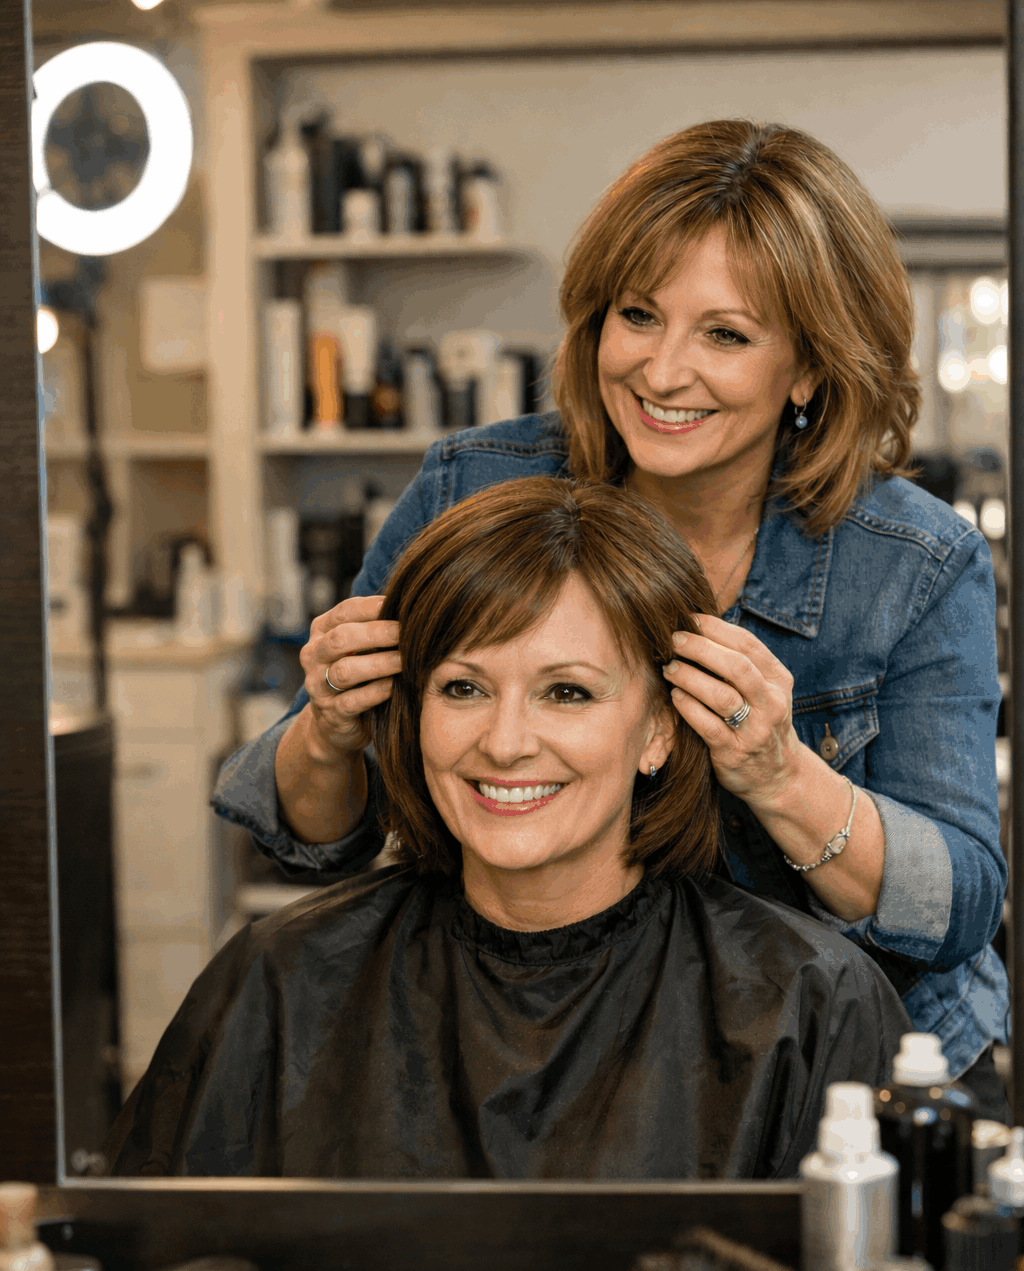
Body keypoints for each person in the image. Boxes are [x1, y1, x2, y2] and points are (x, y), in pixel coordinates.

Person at [214, 119, 1006, 1093]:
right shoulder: (473, 489)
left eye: (724, 334)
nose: (661, 372)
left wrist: (780, 776)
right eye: (638, 316)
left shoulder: (913, 564)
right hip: (528, 1046)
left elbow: (960, 901)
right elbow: (308, 835)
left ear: (806, 367)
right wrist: (330, 730)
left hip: (838, 1067)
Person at [110, 483, 907, 1179]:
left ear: (660, 730)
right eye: (463, 687)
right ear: (410, 709)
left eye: (566, 693)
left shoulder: (810, 1009)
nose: (505, 741)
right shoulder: (280, 982)